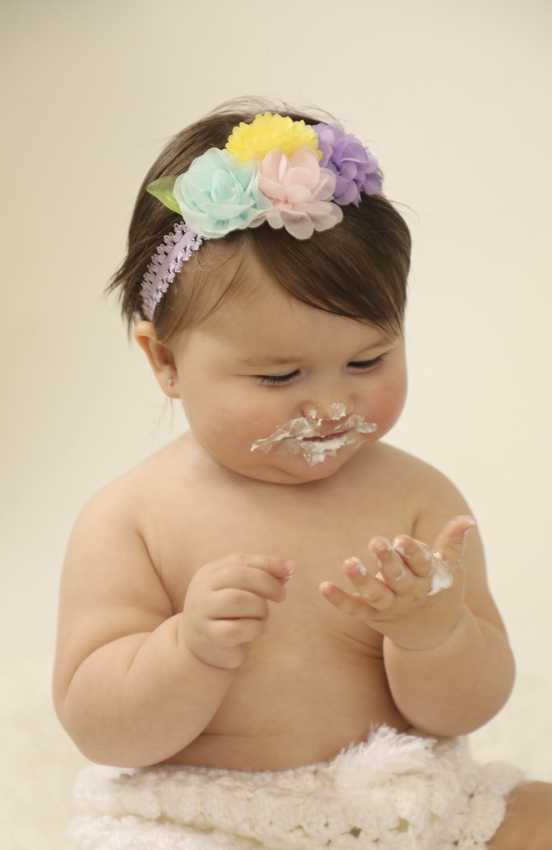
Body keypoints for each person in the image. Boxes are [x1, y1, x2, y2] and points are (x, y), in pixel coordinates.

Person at [53, 100, 552, 849]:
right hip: (202, 819)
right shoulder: (133, 519)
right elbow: (102, 728)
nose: (329, 404)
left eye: (367, 362)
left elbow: (466, 709)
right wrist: (185, 651)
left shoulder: (419, 500)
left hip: (398, 804)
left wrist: (433, 633)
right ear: (166, 362)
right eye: (280, 376)